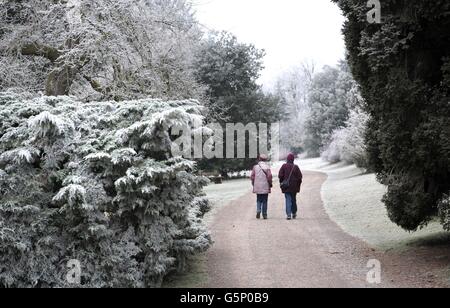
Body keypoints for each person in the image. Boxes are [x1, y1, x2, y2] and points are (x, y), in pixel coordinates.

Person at [278, 153, 303, 220]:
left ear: (287, 159)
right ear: (293, 159)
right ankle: (294, 213)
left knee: (288, 200)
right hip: (294, 187)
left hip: (286, 186)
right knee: (293, 200)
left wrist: (281, 182)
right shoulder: (296, 167)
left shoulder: (284, 166)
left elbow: (280, 175)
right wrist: (298, 185)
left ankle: (288, 214)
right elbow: (300, 177)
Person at [251, 154, 273, 220]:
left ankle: (258, 210)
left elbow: (252, 177)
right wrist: (270, 183)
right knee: (265, 200)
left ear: (259, 159)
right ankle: (264, 214)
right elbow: (269, 177)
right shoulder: (267, 167)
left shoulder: (255, 167)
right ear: (265, 160)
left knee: (258, 199)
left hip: (257, 185)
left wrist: (253, 184)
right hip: (265, 185)